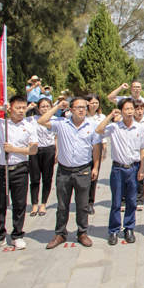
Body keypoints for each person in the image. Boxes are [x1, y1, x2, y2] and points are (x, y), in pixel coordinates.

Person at [0, 96, 39, 252]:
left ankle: (17, 235)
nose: (21, 111)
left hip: (20, 169)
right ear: (10, 108)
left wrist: (14, 149)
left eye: (23, 107)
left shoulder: (29, 126)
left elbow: (33, 149)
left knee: (19, 204)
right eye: (18, 107)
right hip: (1, 170)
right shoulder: (1, 124)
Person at [38, 97, 102, 249]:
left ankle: (82, 233)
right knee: (62, 205)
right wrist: (57, 106)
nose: (81, 110)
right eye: (78, 107)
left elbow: (96, 148)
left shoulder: (92, 125)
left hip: (83, 170)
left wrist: (95, 167)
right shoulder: (61, 123)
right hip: (64, 171)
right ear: (71, 109)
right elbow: (42, 121)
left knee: (82, 205)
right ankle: (60, 233)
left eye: (83, 107)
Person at [96, 98, 144, 245]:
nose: (130, 112)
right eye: (127, 109)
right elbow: (99, 130)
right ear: (120, 111)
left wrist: (142, 169)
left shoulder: (140, 128)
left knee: (132, 201)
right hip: (118, 169)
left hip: (133, 168)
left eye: (132, 108)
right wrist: (110, 116)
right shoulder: (114, 127)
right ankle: (113, 230)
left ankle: (129, 228)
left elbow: (143, 149)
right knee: (116, 201)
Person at [26, 98, 57, 217]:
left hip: (49, 150)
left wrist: (57, 152)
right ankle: (34, 204)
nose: (45, 109)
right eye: (43, 107)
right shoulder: (32, 119)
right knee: (34, 179)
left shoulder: (54, 120)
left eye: (48, 106)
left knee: (47, 178)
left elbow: (56, 137)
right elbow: (19, 119)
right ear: (38, 109)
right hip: (35, 150)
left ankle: (43, 203)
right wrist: (28, 108)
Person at [84, 93, 107, 215]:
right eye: (92, 102)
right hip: (83, 148)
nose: (94, 105)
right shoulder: (82, 115)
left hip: (96, 147)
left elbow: (103, 134)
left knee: (94, 175)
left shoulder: (101, 117)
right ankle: (82, 201)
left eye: (96, 103)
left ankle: (90, 203)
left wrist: (104, 148)